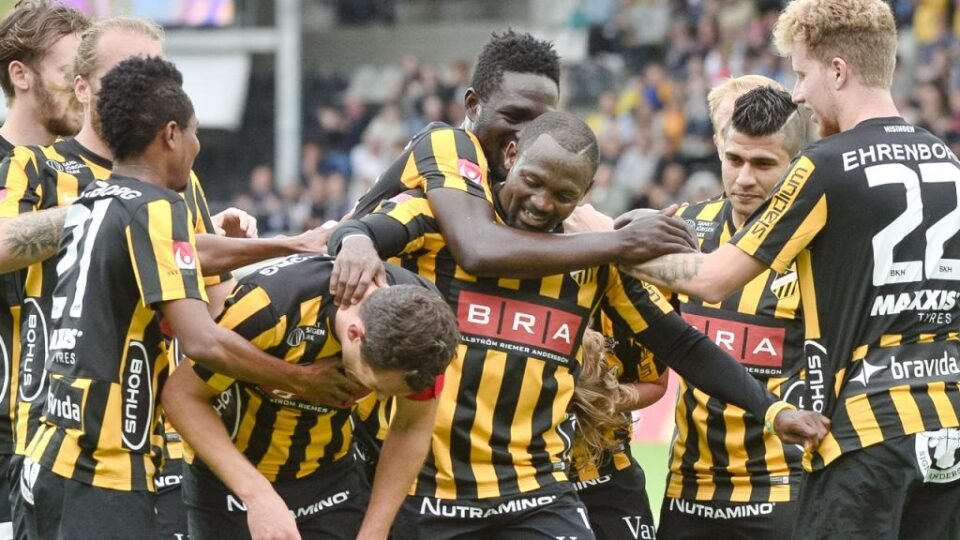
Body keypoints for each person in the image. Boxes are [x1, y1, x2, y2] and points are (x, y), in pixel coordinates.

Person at [329, 111, 829, 540]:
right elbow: (352, 229)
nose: (542, 203)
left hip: (535, 495)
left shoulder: (596, 261)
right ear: (510, 156)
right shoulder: (437, 221)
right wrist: (354, 240)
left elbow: (681, 344)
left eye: (563, 194)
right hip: (426, 495)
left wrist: (772, 410)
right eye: (532, 181)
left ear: (586, 194)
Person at [622, 1, 960, 537]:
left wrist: (610, 243)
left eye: (802, 74)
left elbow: (711, 279)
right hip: (946, 428)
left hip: (865, 434)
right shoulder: (946, 160)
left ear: (838, 71)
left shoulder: (825, 164)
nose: (797, 94)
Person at [20, 55, 353, 540]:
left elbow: (188, 253)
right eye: (195, 133)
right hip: (104, 468)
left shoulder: (97, 199)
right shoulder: (158, 207)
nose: (198, 147)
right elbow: (203, 342)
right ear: (171, 134)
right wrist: (300, 380)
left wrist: (291, 244)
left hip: (50, 456)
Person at [331, 29, 697, 307]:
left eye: (541, 121)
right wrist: (621, 242)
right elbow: (477, 248)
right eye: (514, 116)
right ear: (473, 105)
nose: (527, 135)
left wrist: (626, 229)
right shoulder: (448, 144)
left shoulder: (509, 179)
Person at [163, 257, 459, 540]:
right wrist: (257, 495)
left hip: (330, 477)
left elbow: (411, 425)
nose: (376, 398)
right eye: (374, 385)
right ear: (355, 334)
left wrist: (374, 532)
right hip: (230, 476)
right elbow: (181, 397)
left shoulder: (425, 330)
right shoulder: (269, 307)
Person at [656, 85, 810, 539]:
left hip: (783, 484)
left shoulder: (821, 246)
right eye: (734, 160)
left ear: (796, 166)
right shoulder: (685, 227)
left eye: (763, 164)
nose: (744, 178)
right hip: (689, 485)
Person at [0, 2, 89, 536]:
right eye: (68, 73)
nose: (81, 89)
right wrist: (98, 213)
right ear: (21, 75)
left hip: (76, 436)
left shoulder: (95, 170)